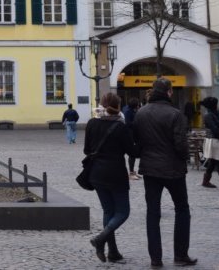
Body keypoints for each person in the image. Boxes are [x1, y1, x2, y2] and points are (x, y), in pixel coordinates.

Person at [133, 78, 197, 267]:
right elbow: (181, 144)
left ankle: (155, 258)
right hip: (173, 169)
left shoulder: (141, 113)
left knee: (153, 213)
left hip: (150, 169)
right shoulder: (175, 114)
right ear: (169, 92)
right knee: (182, 209)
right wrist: (184, 157)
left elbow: (137, 141)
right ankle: (180, 254)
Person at [84, 93, 138, 263]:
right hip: (116, 174)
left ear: (101, 105)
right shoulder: (120, 127)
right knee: (123, 212)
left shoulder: (92, 123)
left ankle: (113, 252)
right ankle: (100, 239)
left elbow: (87, 150)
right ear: (118, 107)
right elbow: (133, 152)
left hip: (97, 174)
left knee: (108, 211)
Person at [122, 97, 141, 179]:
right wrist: (137, 122)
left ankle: (133, 171)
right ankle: (131, 173)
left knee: (134, 154)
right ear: (135, 105)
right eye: (138, 104)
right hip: (130, 135)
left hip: (135, 135)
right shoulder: (128, 112)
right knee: (132, 154)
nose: (138, 105)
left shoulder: (133, 111)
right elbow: (128, 124)